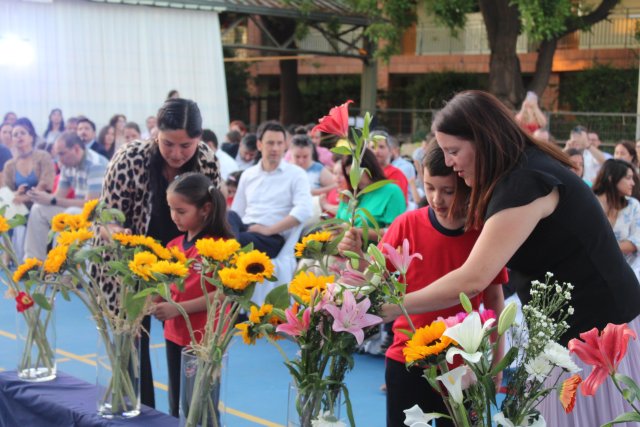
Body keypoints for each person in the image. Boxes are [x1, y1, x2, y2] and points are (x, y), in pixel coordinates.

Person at [370, 91, 640, 426]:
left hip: (597, 334)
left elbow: (474, 278)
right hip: (573, 332)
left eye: (454, 151)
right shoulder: (519, 174)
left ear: (483, 141)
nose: (450, 163)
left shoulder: (523, 183)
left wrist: (390, 306)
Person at [346, 141, 507, 427]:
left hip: (464, 361)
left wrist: (497, 357)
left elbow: (494, 300)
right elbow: (376, 283)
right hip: (407, 356)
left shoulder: (484, 232)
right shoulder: (406, 224)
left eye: (448, 191)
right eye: (429, 187)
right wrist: (357, 258)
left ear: (468, 185)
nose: (437, 199)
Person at [96, 97, 221, 409]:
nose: (177, 154)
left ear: (199, 138)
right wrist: (121, 238)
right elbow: (106, 219)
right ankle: (137, 411)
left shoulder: (207, 160)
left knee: (184, 344)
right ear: (155, 132)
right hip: (128, 265)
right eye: (168, 144)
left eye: (186, 146)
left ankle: (184, 414)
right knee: (132, 347)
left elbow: (214, 221)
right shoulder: (129, 158)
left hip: (183, 266)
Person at [151, 172, 234, 417]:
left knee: (202, 403)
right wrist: (147, 304)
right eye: (171, 209)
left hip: (205, 339)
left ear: (205, 209)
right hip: (175, 333)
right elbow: (162, 286)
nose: (174, 216)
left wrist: (177, 308)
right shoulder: (173, 246)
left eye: (181, 211)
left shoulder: (222, 248)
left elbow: (222, 295)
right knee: (177, 401)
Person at [229, 121, 312, 258]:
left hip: (272, 237)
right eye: (270, 143)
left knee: (234, 241)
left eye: (279, 143)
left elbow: (304, 210)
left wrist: (268, 230)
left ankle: (227, 247)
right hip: (246, 229)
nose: (275, 148)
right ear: (259, 145)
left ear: (286, 146)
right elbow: (237, 211)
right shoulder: (248, 174)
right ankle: (227, 245)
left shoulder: (296, 174)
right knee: (229, 216)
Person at [23, 131, 108, 261]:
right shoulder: (68, 165)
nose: (59, 159)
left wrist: (52, 199)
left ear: (76, 149)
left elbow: (91, 205)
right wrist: (42, 197)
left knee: (69, 214)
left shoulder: (96, 164)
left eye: (62, 153)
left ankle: (60, 266)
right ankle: (33, 262)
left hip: (101, 216)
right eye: (58, 154)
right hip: (79, 212)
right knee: (38, 209)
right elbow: (58, 197)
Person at [337, 148, 406, 241]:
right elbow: (338, 220)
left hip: (373, 253)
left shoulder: (392, 191)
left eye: (357, 175)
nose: (355, 181)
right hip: (342, 250)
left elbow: (396, 232)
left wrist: (356, 231)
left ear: (370, 167)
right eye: (349, 176)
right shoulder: (349, 194)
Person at [593, 159, 640, 276]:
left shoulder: (633, 205)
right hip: (593, 268)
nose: (633, 183)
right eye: (628, 178)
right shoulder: (590, 203)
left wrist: (603, 249)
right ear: (611, 178)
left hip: (627, 270)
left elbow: (636, 242)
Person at [3, 118, 55, 204]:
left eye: (23, 133)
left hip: (42, 204)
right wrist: (16, 193)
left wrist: (25, 198)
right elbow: (6, 193)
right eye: (15, 135)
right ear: (12, 141)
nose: (19, 136)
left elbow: (46, 184)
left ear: (31, 138)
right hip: (18, 207)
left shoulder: (43, 156)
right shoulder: (9, 165)